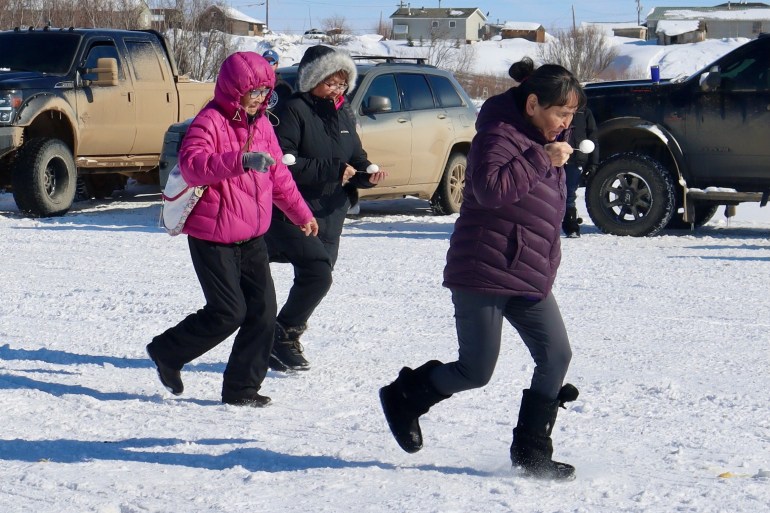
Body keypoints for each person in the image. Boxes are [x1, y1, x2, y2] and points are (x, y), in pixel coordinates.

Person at [379, 59, 584, 480]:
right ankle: (405, 397)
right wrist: (542, 158)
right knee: (475, 370)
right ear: (532, 104)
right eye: (561, 113)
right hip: (483, 270)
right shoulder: (498, 135)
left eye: (572, 115)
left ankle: (531, 451)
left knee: (556, 355)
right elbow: (490, 190)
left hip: (527, 271)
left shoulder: (544, 139)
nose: (566, 123)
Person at [146, 52, 318, 407]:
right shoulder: (209, 121)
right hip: (212, 237)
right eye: (253, 92)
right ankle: (167, 351)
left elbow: (279, 176)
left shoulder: (263, 125)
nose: (259, 99)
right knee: (228, 312)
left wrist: (301, 213)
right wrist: (240, 161)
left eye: (265, 92)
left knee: (264, 314)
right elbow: (192, 165)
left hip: (252, 237)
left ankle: (242, 390)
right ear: (233, 90)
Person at [265, 45, 387, 372]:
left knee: (318, 278)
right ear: (312, 80)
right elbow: (284, 163)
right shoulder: (294, 110)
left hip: (332, 211)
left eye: (342, 84)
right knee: (317, 275)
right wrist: (332, 169)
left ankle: (280, 336)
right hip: (297, 212)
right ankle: (280, 335)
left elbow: (355, 156)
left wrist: (366, 175)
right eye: (330, 83)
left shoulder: (343, 113)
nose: (337, 90)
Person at [562, 107, 598, 237]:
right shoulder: (556, 106)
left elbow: (592, 137)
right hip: (555, 155)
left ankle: (571, 225)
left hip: (576, 158)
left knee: (569, 193)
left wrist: (593, 163)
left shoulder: (584, 112)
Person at [262, 49, 293, 114]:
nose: (268, 64)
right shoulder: (255, 84)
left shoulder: (284, 87)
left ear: (276, 65)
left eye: (271, 62)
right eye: (265, 61)